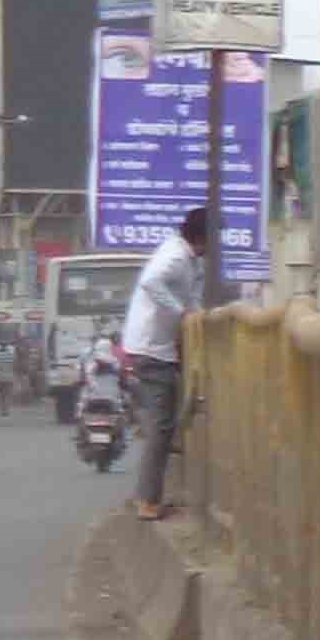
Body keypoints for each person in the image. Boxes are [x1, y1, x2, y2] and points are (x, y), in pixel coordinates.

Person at [117, 208, 212, 520]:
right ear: (201, 236)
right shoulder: (174, 257)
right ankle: (148, 500)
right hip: (152, 350)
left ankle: (149, 495)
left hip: (159, 349)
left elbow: (193, 300)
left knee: (166, 423)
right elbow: (150, 283)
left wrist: (195, 316)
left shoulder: (191, 260)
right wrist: (181, 313)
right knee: (161, 427)